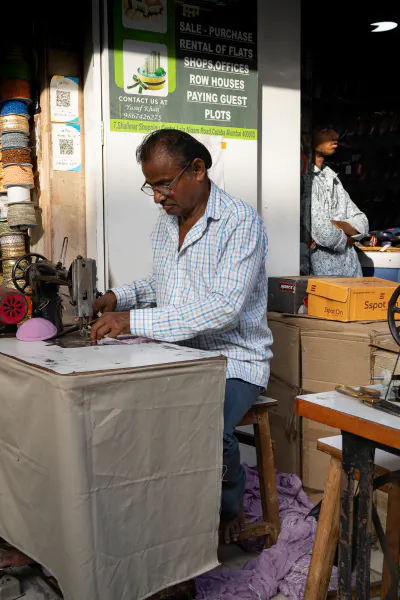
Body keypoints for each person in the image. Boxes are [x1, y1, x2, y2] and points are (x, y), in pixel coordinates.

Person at [90, 129, 273, 545]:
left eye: (164, 185)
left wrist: (133, 321)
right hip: (180, 351)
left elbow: (223, 308)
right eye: (150, 187)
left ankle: (229, 505)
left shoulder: (241, 224)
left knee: (208, 428)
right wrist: (119, 296)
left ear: (197, 169)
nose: (158, 197)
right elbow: (162, 283)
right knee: (133, 413)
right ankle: (167, 507)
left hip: (235, 359)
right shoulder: (169, 219)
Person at [301, 123, 369, 276]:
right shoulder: (304, 180)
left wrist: (337, 224)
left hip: (351, 272)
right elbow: (325, 233)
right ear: (307, 137)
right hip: (323, 278)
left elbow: (363, 222)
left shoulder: (332, 177)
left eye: (336, 130)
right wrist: (349, 238)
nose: (335, 136)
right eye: (325, 130)